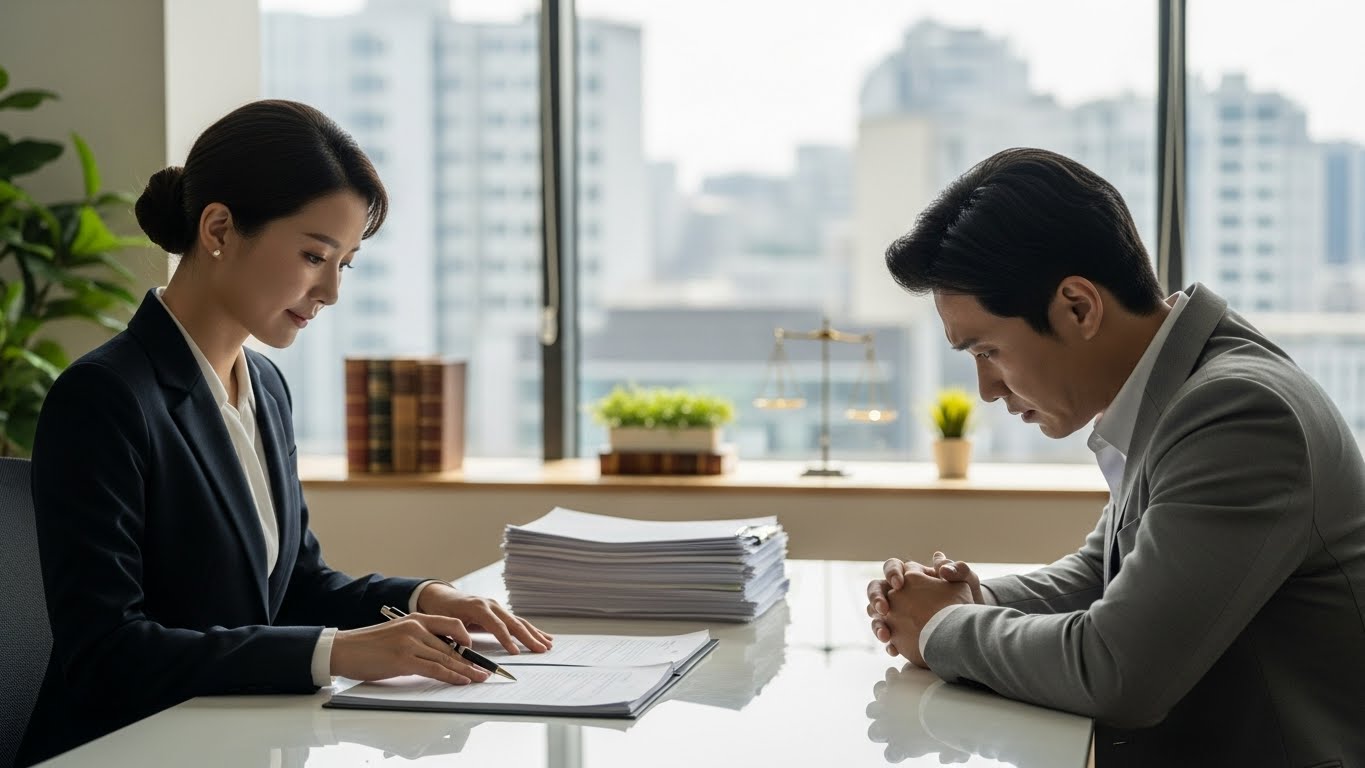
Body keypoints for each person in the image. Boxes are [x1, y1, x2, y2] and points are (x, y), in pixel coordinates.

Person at [18, 100, 553, 765]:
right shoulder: (104, 396)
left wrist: (423, 598)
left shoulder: (264, 386)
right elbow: (106, 651)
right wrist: (334, 652)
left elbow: (294, 584)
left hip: (242, 741)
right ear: (218, 228)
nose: (330, 290)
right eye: (312, 255)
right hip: (128, 748)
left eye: (345, 264)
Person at [864, 147, 1365, 766]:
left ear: (1078, 306)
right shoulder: (1181, 389)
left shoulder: (1238, 413)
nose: (986, 389)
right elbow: (1101, 574)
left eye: (987, 350)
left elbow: (1120, 670)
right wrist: (977, 601)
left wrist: (943, 628)